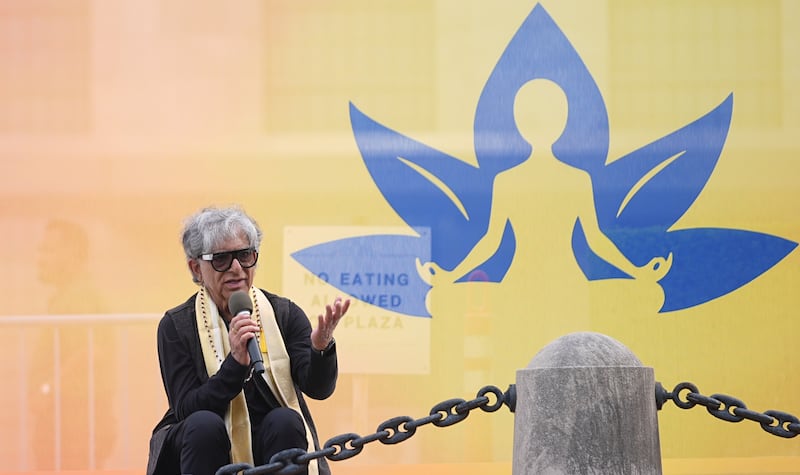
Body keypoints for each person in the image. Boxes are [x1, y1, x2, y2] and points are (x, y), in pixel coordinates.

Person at [146, 205, 350, 475]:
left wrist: (321, 349)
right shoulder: (176, 326)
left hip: (271, 439)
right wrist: (236, 364)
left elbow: (319, 389)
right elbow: (186, 408)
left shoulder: (283, 313)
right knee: (204, 424)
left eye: (245, 256)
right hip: (203, 445)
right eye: (221, 259)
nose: (236, 268)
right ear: (196, 268)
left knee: (285, 420)